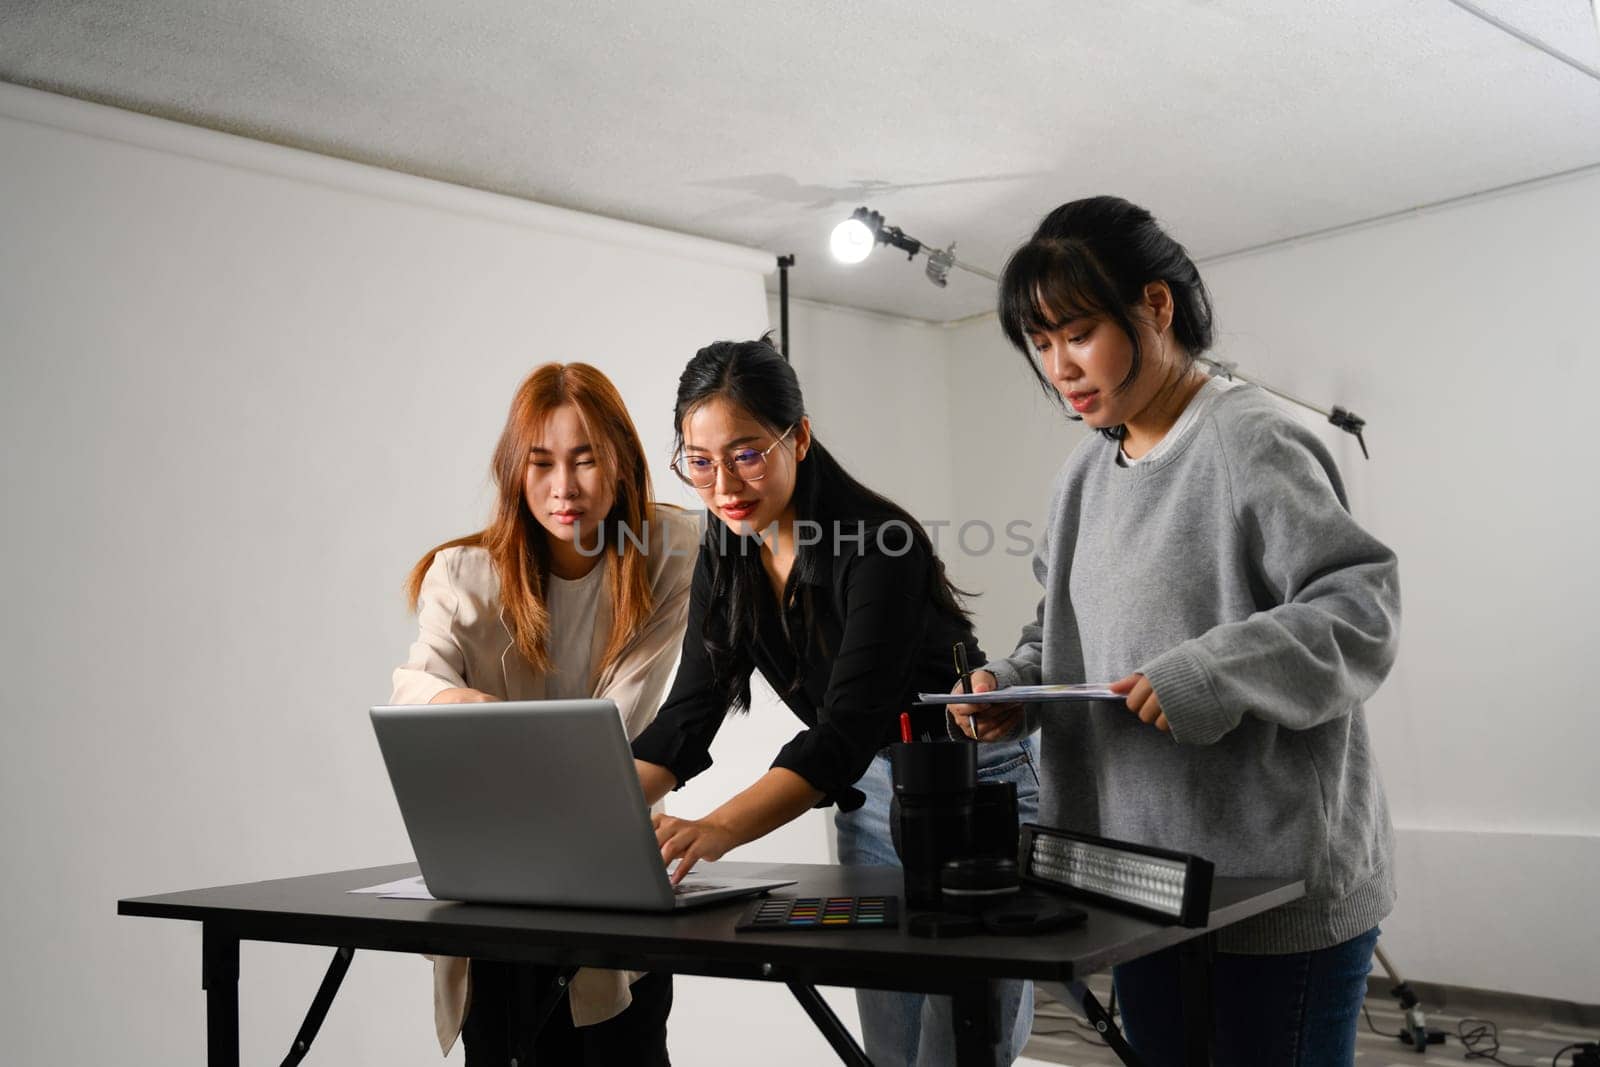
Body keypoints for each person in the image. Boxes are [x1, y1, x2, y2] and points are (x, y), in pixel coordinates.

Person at [951, 195, 1401, 1066]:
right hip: (1136, 883)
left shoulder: (1251, 438)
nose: (1060, 368)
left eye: (1077, 333)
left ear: (1155, 307)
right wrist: (1011, 686)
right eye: (1041, 346)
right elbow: (1064, 632)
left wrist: (1211, 672)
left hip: (1269, 891)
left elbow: (1360, 609)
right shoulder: (1083, 471)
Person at [629, 337, 1038, 1067]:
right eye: (699, 460)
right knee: (890, 1048)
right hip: (869, 797)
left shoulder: (880, 545)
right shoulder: (726, 553)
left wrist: (715, 829)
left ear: (800, 435)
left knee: (955, 1048)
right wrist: (592, 811)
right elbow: (685, 717)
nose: (723, 483)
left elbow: (846, 729)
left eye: (747, 452)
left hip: (974, 788)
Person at [391, 362, 697, 1066]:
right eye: (542, 462)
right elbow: (414, 683)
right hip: (496, 894)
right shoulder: (464, 574)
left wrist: (492, 748)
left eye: (586, 460)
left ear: (621, 462)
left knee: (625, 1043)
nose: (564, 487)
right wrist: (460, 701)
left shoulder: (670, 552)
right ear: (514, 469)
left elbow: (619, 724)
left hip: (612, 893)